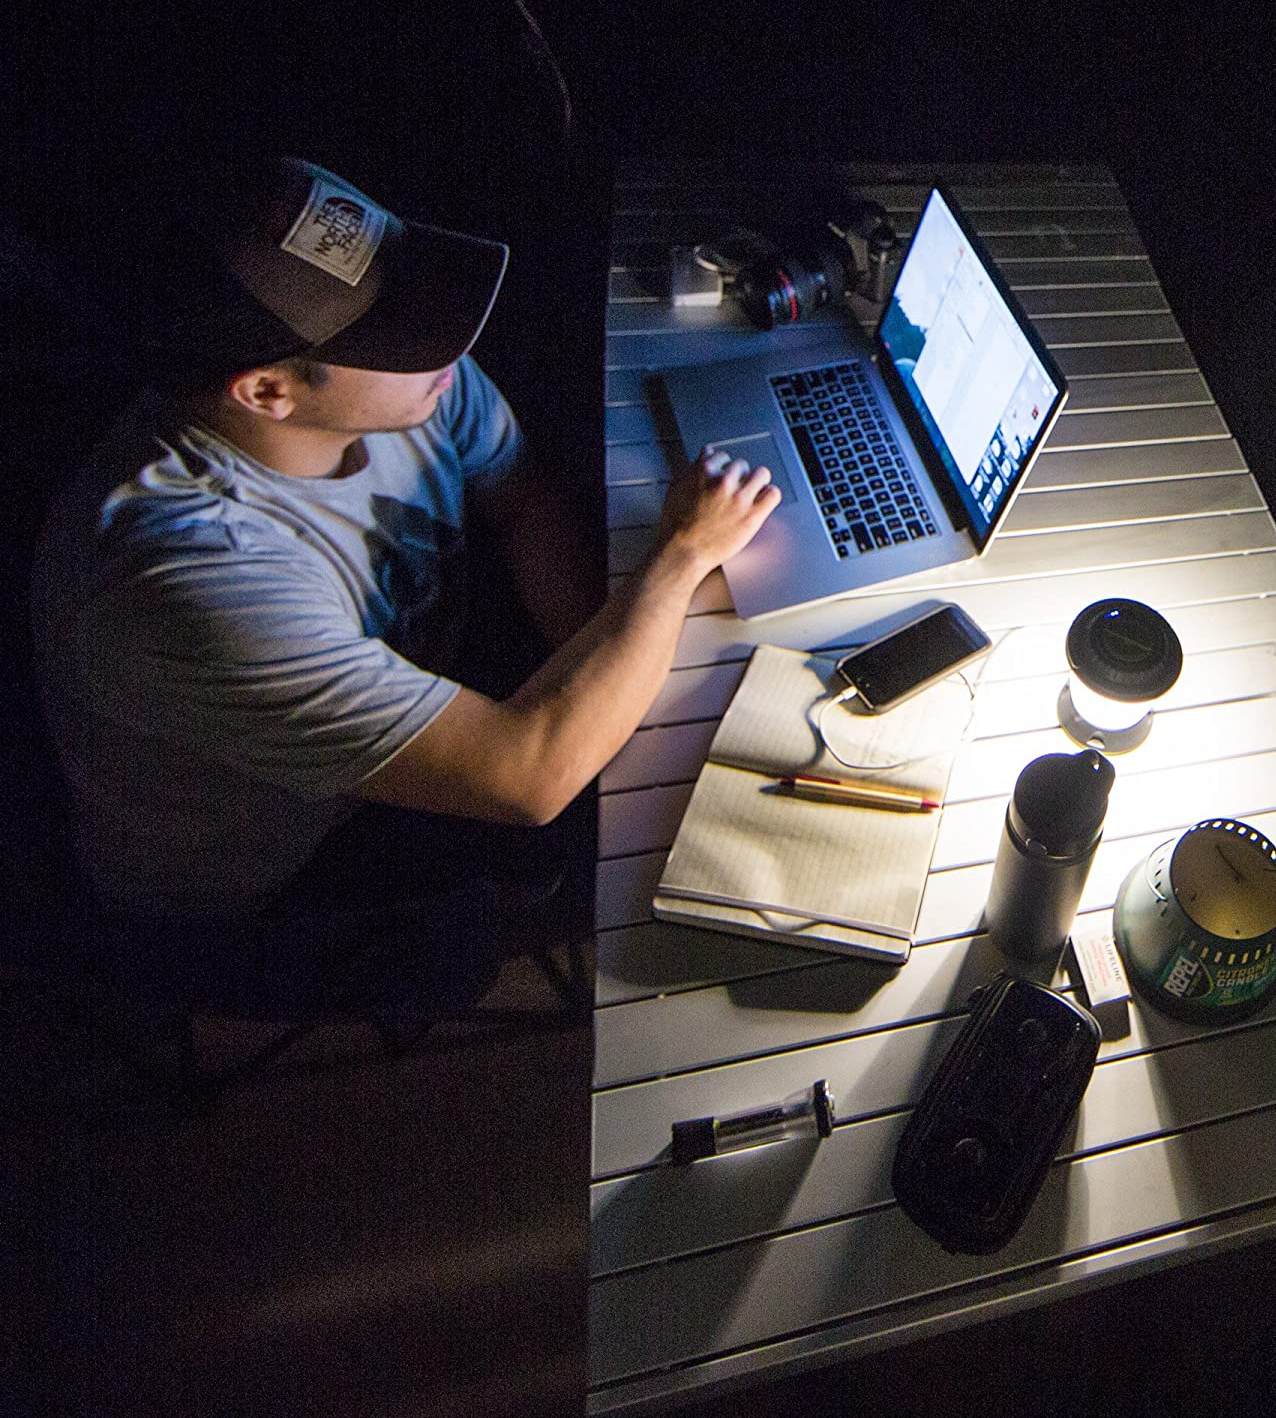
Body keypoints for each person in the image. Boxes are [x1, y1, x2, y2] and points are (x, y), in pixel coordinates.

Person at [30, 157, 779, 979]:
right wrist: (677, 562)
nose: (448, 341)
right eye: (402, 335)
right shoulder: (185, 582)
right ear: (269, 391)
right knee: (670, 877)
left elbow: (519, 501)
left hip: (427, 665)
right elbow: (525, 779)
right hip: (280, 868)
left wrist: (603, 651)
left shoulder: (410, 378)